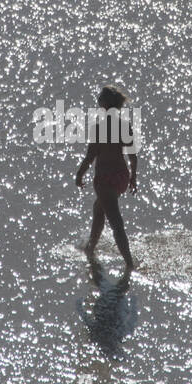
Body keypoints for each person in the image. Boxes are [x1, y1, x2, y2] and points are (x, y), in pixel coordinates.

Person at [75, 84, 138, 269]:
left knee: (116, 223)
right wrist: (133, 177)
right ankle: (90, 249)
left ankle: (129, 264)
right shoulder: (124, 126)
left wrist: (79, 175)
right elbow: (133, 156)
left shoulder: (100, 128)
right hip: (121, 177)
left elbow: (90, 156)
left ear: (103, 103)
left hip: (105, 179)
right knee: (98, 210)